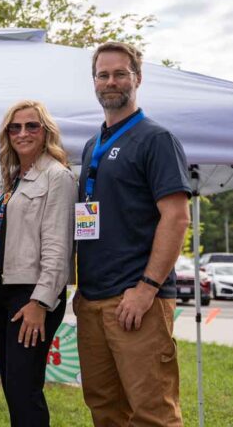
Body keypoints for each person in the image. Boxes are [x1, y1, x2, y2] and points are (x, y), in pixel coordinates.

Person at [75, 42, 191, 426]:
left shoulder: (156, 139)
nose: (111, 81)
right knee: (105, 410)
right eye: (103, 74)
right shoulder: (93, 144)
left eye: (120, 73)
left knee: (153, 412)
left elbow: (176, 218)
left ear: (137, 78)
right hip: (93, 299)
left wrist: (147, 288)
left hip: (137, 299)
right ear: (94, 81)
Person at [0, 100, 76, 427]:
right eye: (15, 127)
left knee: (25, 390)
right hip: (4, 293)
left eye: (31, 126)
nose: (23, 133)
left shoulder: (57, 176)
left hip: (33, 295)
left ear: (45, 131)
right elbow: (0, 246)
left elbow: (59, 247)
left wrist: (40, 302)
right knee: (12, 388)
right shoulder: (13, 181)